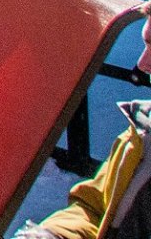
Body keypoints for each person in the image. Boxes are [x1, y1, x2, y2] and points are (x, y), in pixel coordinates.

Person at [26, 23, 151, 239]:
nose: (143, 64)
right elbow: (95, 210)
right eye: (146, 45)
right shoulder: (143, 137)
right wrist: (52, 235)